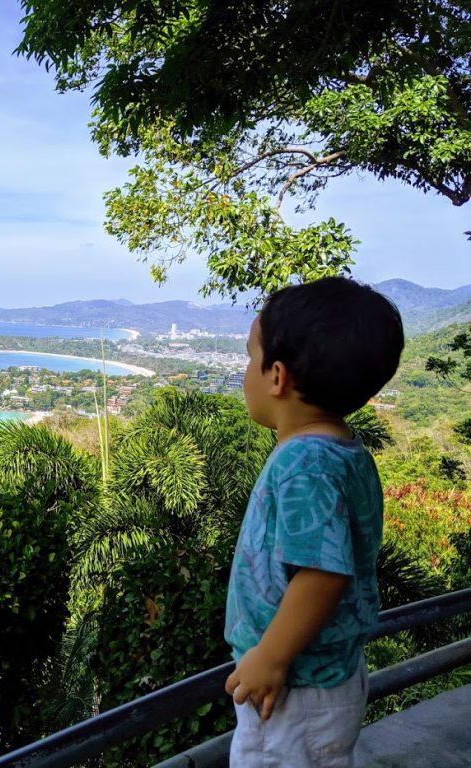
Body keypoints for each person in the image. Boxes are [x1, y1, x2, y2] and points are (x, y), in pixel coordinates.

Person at [223, 277, 404, 767]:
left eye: (248, 356)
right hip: (323, 676)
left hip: (295, 688)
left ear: (276, 376)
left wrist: (271, 656)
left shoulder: (307, 462)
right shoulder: (342, 447)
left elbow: (323, 573)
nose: (244, 372)